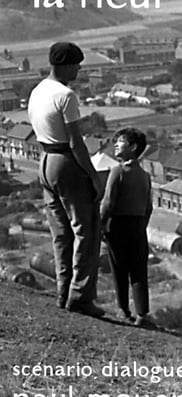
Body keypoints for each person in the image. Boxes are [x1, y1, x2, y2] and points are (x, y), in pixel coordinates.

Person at [28, 41, 105, 318]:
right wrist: (94, 178)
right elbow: (76, 143)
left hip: (45, 161)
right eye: (75, 64)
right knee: (86, 230)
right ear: (63, 65)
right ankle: (81, 297)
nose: (78, 69)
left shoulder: (37, 91)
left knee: (61, 233)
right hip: (66, 162)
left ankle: (63, 294)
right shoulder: (66, 95)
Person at [100, 127, 153, 326]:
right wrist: (141, 226)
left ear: (133, 146)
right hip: (138, 226)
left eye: (120, 141)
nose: (115, 145)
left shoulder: (117, 172)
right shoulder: (145, 176)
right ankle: (142, 314)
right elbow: (149, 207)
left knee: (119, 270)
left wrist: (101, 225)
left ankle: (123, 310)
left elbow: (107, 203)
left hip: (118, 226)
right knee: (139, 271)